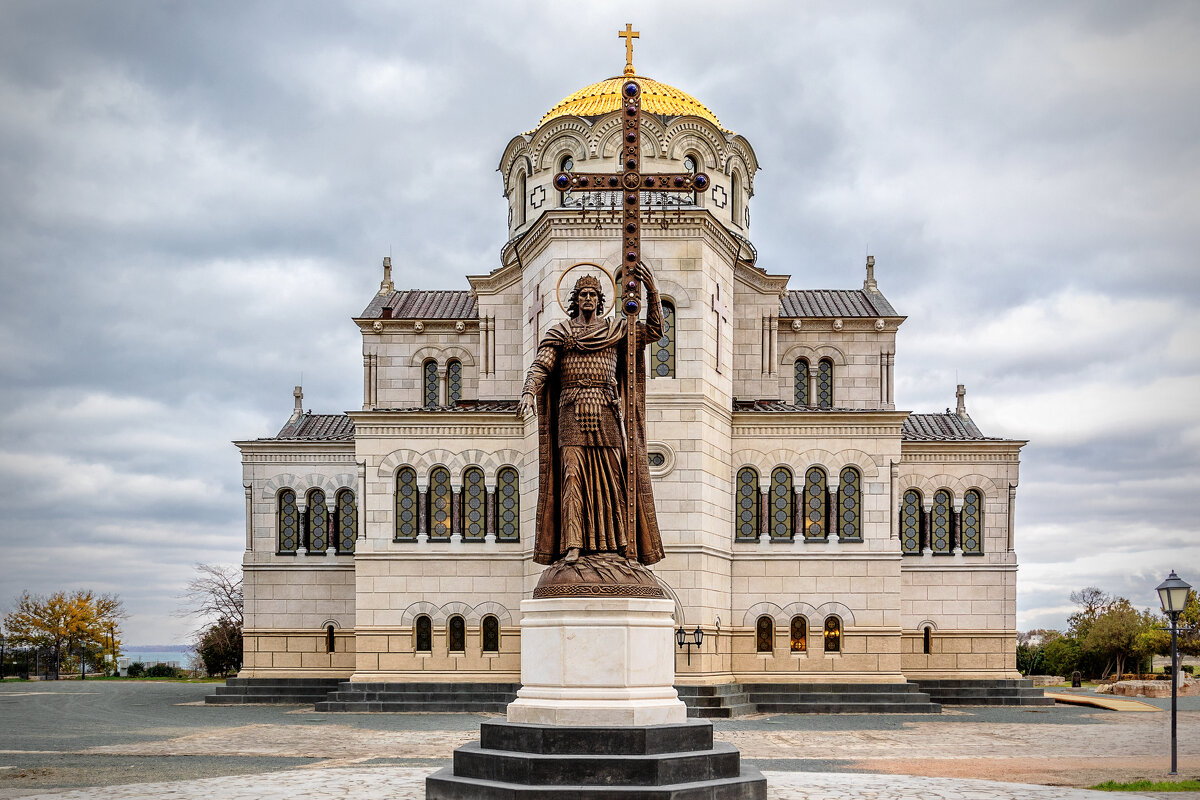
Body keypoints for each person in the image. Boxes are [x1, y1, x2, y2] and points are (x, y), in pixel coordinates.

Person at [519, 263, 665, 568]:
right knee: (572, 477)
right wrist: (529, 391)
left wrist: (652, 290)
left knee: (612, 478)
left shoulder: (616, 330)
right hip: (571, 410)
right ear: (574, 299)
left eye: (593, 294)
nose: (588, 298)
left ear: (601, 300)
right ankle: (572, 545)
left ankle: (621, 545)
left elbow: (653, 331)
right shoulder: (560, 333)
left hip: (606, 409)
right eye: (583, 294)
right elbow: (542, 366)